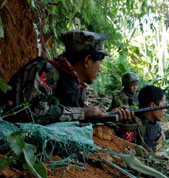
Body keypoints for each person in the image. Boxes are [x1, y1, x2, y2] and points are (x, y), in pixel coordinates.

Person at [2, 30, 133, 124]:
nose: (100, 69)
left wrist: (110, 115)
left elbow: (72, 118)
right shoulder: (46, 71)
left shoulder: (76, 84)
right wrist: (83, 112)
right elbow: (31, 112)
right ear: (87, 61)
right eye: (100, 63)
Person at [134, 85, 167, 152]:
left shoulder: (156, 125)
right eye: (163, 106)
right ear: (153, 106)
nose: (165, 110)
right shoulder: (133, 125)